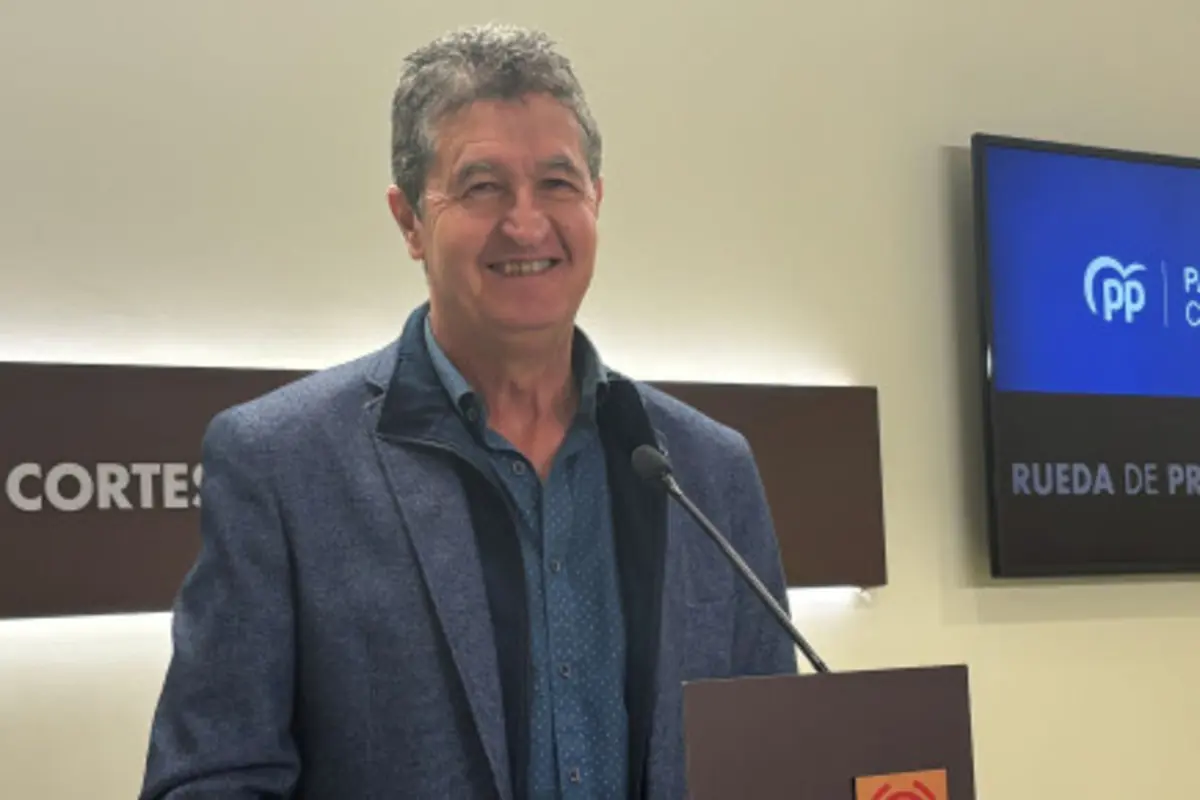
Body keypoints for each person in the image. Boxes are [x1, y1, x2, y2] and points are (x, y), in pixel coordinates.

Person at [139, 22, 797, 800]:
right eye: (482, 187)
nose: (526, 223)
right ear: (410, 221)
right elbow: (213, 778)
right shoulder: (281, 465)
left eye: (557, 183)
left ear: (597, 199)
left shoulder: (710, 470)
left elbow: (776, 762)